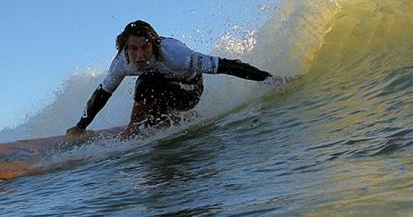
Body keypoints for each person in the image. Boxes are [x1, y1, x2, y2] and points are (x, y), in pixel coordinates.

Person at [66, 20, 291, 138]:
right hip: (163, 92)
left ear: (153, 44)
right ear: (125, 48)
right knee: (152, 119)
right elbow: (103, 93)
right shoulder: (121, 62)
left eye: (144, 48)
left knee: (147, 81)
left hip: (190, 90)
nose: (139, 55)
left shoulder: (176, 55)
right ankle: (176, 120)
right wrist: (80, 126)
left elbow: (227, 65)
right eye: (132, 49)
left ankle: (133, 130)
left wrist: (270, 79)